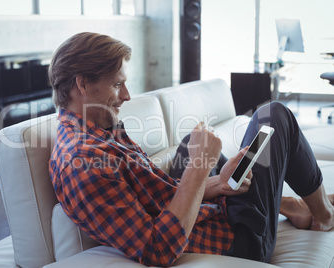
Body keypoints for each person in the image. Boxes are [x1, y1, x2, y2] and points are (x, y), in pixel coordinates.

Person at [48, 32, 334, 267]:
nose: (127, 95)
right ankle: (323, 216)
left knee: (187, 144)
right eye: (117, 84)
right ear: (82, 84)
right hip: (238, 241)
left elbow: (165, 191)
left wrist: (219, 183)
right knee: (275, 114)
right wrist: (200, 165)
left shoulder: (99, 129)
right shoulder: (83, 163)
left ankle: (287, 204)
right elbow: (157, 249)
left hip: (209, 214)